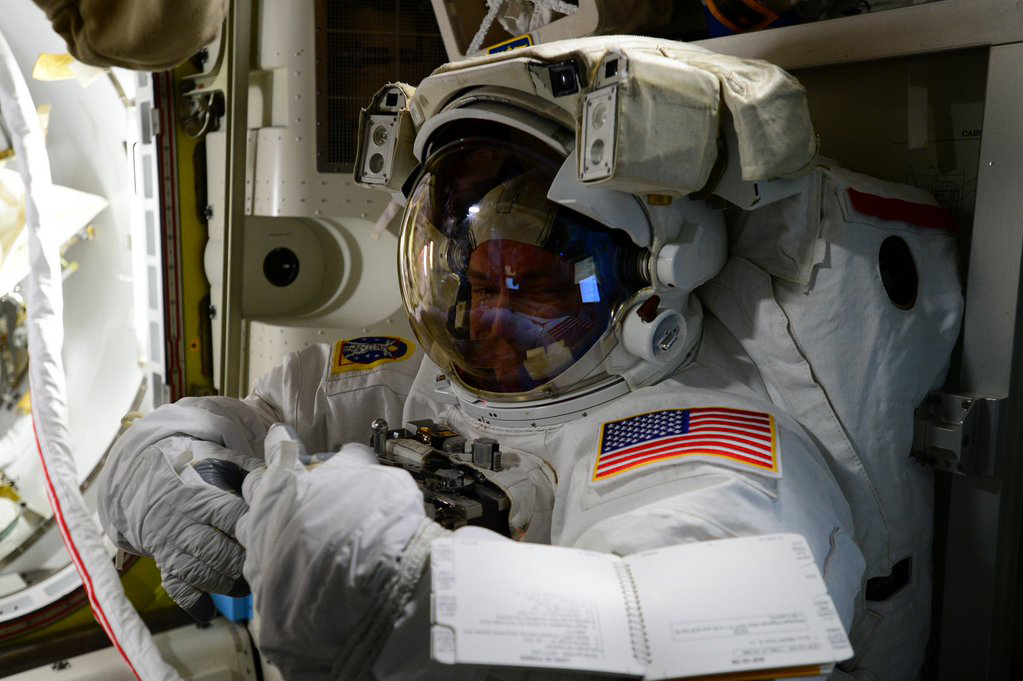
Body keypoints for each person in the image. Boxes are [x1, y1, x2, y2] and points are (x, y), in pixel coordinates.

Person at [97, 37, 961, 681]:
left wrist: (415, 604)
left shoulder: (701, 441)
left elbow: (678, 631)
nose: (486, 319)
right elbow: (248, 418)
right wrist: (168, 465)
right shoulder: (424, 365)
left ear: (657, 274)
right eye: (467, 276)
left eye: (532, 280)